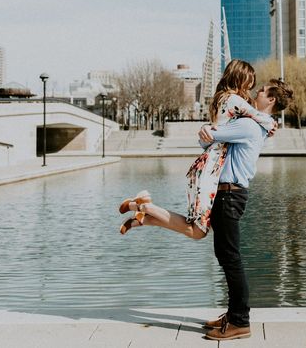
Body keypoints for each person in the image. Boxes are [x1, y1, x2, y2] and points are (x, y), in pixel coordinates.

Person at [118, 60, 275, 239]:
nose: (249, 89)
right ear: (239, 78)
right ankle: (144, 207)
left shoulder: (220, 99)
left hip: (209, 165)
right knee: (198, 230)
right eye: (248, 83)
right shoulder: (233, 99)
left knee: (197, 229)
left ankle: (142, 216)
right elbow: (257, 116)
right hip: (211, 169)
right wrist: (271, 125)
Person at [199, 79, 293, 341]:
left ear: (271, 100)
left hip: (230, 195)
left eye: (262, 90)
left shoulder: (250, 124)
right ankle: (233, 314)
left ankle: (240, 321)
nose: (256, 92)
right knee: (227, 256)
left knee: (231, 258)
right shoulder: (257, 123)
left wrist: (207, 129)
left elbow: (209, 135)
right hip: (229, 194)